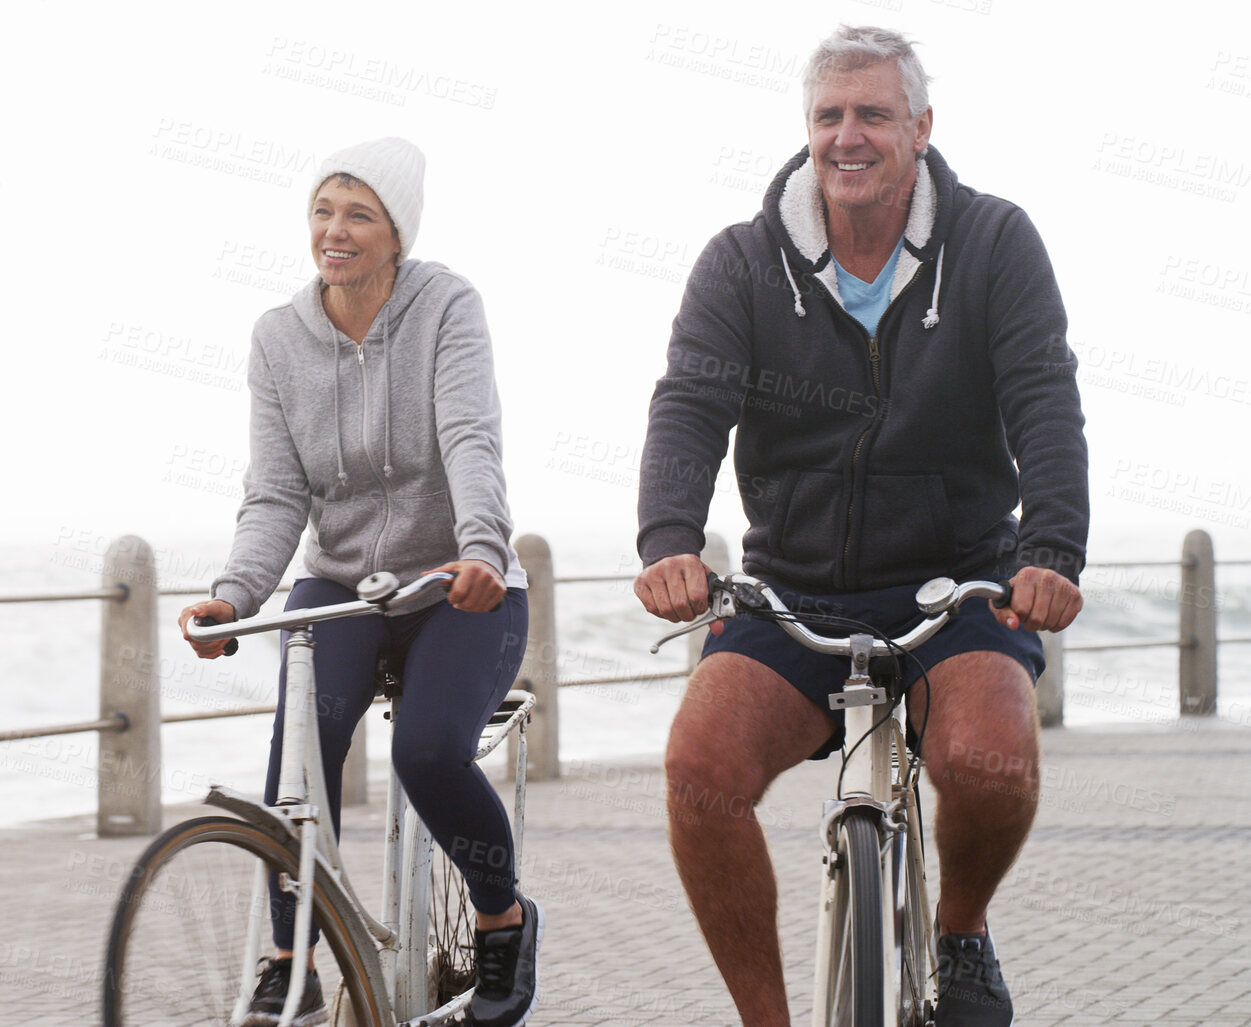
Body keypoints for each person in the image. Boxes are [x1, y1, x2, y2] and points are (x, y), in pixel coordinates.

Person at [634, 26, 1087, 1027]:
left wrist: (1049, 551)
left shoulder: (994, 244)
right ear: (808, 129)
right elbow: (690, 406)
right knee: (696, 771)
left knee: (992, 758)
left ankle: (961, 929)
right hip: (793, 584)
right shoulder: (744, 263)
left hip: (957, 580)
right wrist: (669, 538)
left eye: (874, 114)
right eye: (830, 115)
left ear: (920, 129)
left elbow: (1044, 398)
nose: (849, 136)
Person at [178, 136, 541, 1027]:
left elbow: (469, 438)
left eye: (358, 215)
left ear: (395, 235)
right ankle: (289, 960)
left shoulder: (446, 306)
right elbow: (274, 492)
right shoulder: (276, 338)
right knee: (299, 748)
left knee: (425, 750)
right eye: (322, 210)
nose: (333, 232)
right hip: (342, 581)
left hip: (457, 583)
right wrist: (235, 595)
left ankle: (502, 917)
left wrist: (484, 550)